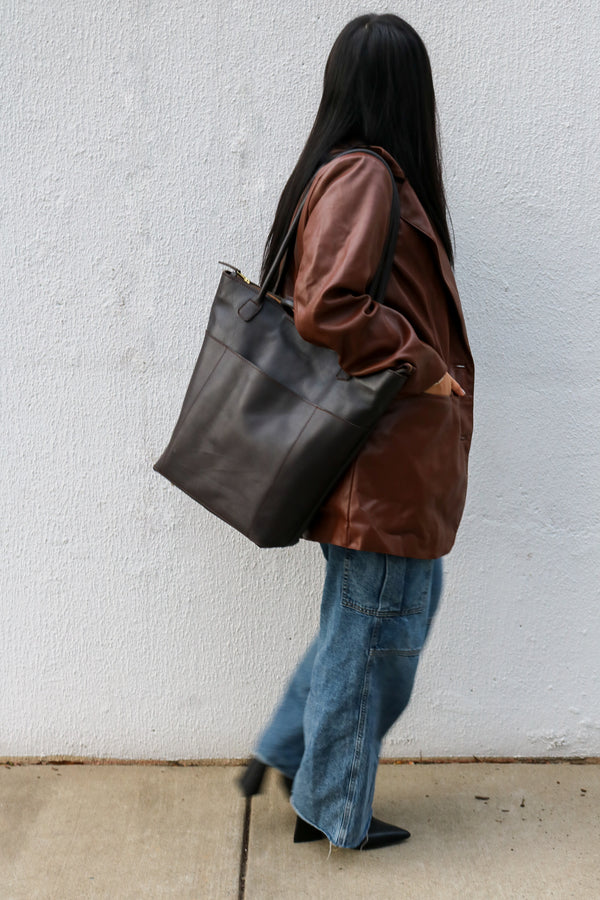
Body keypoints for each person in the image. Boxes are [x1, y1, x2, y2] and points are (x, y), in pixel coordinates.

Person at [238, 13, 474, 851]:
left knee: (371, 623)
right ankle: (329, 804)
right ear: (407, 89)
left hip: (390, 463)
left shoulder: (367, 174)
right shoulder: (367, 175)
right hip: (383, 462)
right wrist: (423, 364)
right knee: (376, 636)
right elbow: (326, 305)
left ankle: (286, 755)